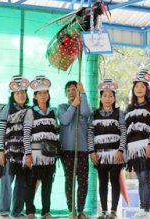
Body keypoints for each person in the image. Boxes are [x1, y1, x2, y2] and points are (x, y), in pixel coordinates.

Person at [88, 79, 126, 219]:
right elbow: (90, 134)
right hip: (100, 155)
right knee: (102, 181)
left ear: (114, 98)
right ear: (101, 97)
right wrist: (92, 152)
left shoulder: (119, 114)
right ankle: (103, 211)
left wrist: (121, 150)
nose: (108, 99)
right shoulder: (94, 114)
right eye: (105, 95)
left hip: (115, 154)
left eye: (111, 96)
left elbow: (123, 133)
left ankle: (114, 212)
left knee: (115, 181)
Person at [125, 70, 150, 219]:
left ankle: (146, 209)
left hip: (146, 145)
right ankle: (142, 208)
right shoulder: (129, 107)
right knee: (140, 178)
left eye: (142, 86)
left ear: (147, 89)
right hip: (133, 148)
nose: (139, 89)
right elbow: (126, 130)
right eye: (136, 86)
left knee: (145, 177)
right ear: (133, 89)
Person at [23, 75, 59, 219]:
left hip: (49, 155)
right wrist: (28, 154)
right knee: (31, 183)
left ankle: (46, 212)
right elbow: (26, 133)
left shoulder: (53, 111)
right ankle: (30, 212)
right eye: (40, 93)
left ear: (48, 94)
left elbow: (55, 131)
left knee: (47, 185)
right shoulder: (31, 112)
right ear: (35, 96)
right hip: (35, 154)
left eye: (45, 92)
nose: (43, 95)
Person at [0, 75, 30, 218]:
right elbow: (1, 131)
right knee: (6, 182)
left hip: (24, 153)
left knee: (21, 183)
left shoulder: (30, 110)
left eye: (23, 92)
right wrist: (1, 151)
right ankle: (4, 211)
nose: (21, 95)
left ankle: (16, 212)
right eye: (18, 93)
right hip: (10, 152)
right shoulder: (7, 109)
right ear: (12, 95)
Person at [57, 81, 91, 219]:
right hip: (67, 150)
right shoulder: (62, 107)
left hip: (82, 150)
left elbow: (86, 113)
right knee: (69, 180)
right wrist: (73, 105)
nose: (71, 92)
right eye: (69, 90)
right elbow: (64, 120)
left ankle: (81, 210)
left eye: (74, 90)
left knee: (83, 180)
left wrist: (83, 94)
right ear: (66, 93)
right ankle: (72, 210)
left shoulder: (83, 106)